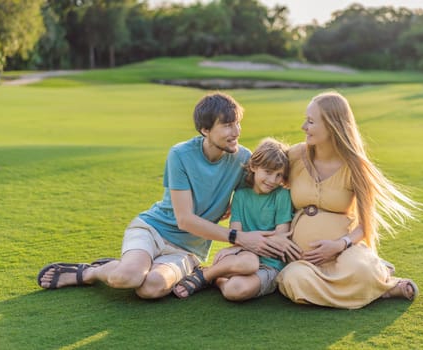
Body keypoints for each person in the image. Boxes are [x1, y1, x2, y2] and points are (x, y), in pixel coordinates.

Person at [37, 92, 288, 299]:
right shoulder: (180, 154)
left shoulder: (243, 158)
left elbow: (264, 177)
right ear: (205, 130)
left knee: (151, 288)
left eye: (237, 123)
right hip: (153, 229)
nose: (236, 131)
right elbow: (185, 220)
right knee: (127, 277)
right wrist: (239, 238)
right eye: (226, 125)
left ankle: (133, 265)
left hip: (187, 251)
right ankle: (93, 272)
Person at [276, 91, 419, 309]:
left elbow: (366, 224)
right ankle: (380, 287)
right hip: (304, 260)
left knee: (360, 270)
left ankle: (376, 279)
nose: (303, 126)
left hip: (345, 251)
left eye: (311, 121)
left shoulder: (355, 167)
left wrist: (337, 245)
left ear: (332, 126)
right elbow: (263, 177)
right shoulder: (295, 155)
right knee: (293, 281)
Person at [172, 138, 300, 300]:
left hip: (270, 264)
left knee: (235, 290)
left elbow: (280, 239)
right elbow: (237, 234)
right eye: (268, 172)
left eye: (279, 175)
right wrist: (236, 247)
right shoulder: (240, 196)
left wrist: (243, 243)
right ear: (254, 167)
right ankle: (204, 276)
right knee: (249, 262)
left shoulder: (281, 195)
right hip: (242, 257)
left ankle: (213, 277)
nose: (272, 180)